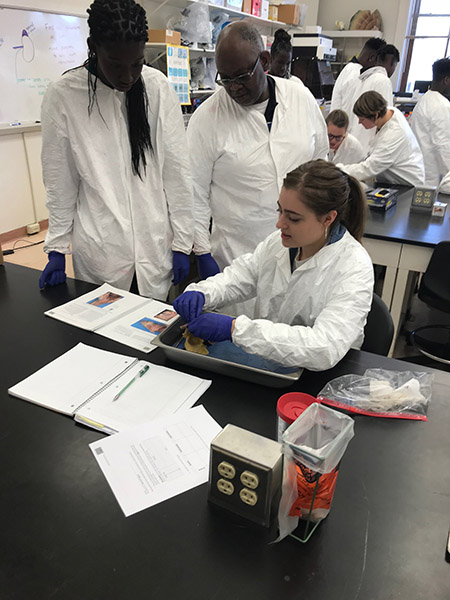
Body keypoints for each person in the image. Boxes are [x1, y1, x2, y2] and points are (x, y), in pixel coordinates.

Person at [39, 0, 193, 300]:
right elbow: (60, 179)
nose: (127, 76)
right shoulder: (64, 95)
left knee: (150, 338)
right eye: (115, 64)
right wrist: (57, 247)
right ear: (93, 46)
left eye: (137, 64)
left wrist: (183, 243)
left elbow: (177, 172)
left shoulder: (157, 87)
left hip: (155, 250)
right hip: (101, 253)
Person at [173, 160, 374, 371]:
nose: (280, 224)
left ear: (328, 218)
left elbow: (323, 348)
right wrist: (203, 293)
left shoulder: (354, 267)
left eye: (293, 218)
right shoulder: (279, 244)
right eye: (280, 211)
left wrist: (235, 329)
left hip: (319, 382)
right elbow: (243, 276)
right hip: (269, 367)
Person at [187, 21, 328, 316]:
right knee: (236, 345)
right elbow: (194, 193)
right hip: (236, 258)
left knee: (292, 345)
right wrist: (201, 251)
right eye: (225, 79)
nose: (234, 88)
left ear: (264, 61)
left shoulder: (300, 99)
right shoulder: (208, 118)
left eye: (241, 77)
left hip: (301, 255)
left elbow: (320, 163)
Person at [338, 91, 424, 187]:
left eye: (362, 119)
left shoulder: (394, 134)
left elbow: (370, 168)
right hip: (390, 180)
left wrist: (339, 170)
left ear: (376, 115)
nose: (359, 122)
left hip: (406, 185)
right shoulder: (389, 112)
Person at [347, 44, 400, 153]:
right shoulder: (383, 80)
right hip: (369, 143)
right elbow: (386, 118)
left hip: (357, 138)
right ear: (392, 62)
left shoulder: (365, 79)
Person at [410, 58, 450, 187]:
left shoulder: (425, 99)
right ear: (446, 80)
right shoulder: (441, 105)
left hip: (421, 172)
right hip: (431, 178)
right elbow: (443, 146)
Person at [330, 37, 386, 115]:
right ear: (371, 58)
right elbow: (352, 110)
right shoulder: (357, 74)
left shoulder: (349, 69)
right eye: (378, 62)